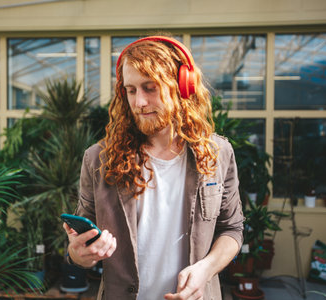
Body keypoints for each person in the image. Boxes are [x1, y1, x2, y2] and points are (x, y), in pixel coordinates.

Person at [63, 35, 244, 300]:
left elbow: (232, 229)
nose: (138, 103)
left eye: (150, 88)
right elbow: (82, 243)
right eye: (132, 90)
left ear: (182, 87)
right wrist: (78, 255)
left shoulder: (217, 154)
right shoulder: (98, 159)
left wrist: (205, 270)